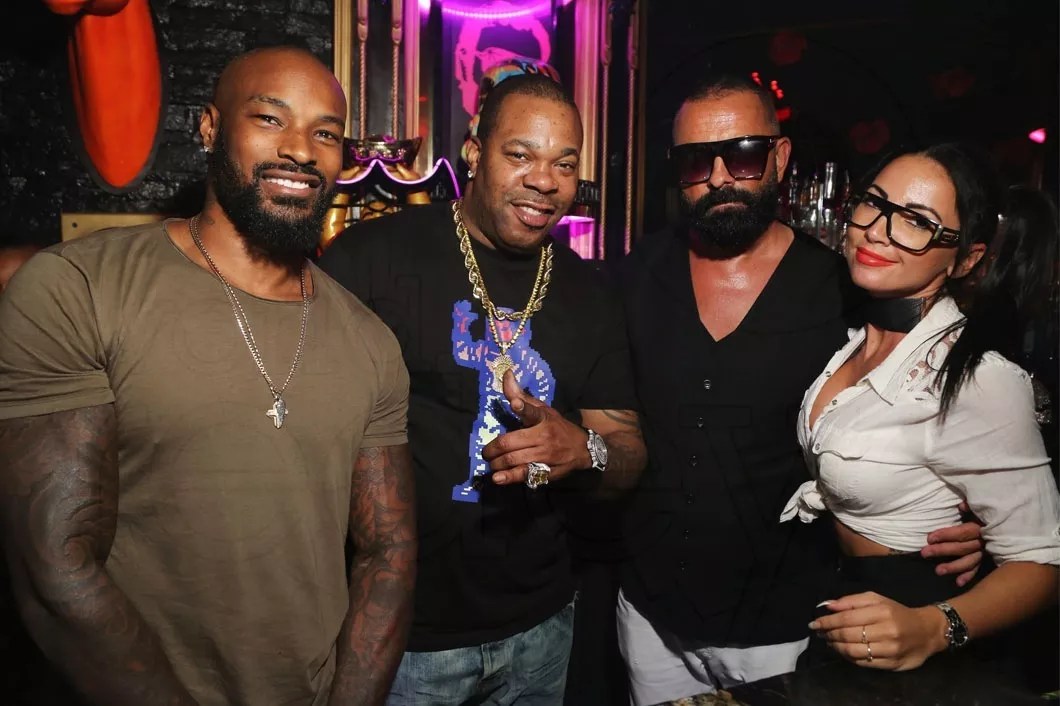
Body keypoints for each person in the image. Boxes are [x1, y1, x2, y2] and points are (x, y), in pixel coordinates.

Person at [0, 46, 416, 706]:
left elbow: (388, 550)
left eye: (326, 133)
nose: (301, 150)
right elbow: (55, 567)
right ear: (210, 127)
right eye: (270, 119)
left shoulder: (370, 341)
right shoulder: (78, 288)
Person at [615, 73, 984, 705]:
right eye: (696, 160)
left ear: (781, 157)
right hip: (652, 618)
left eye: (744, 154)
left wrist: (962, 513)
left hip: (788, 626)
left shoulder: (846, 291)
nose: (720, 177)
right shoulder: (634, 276)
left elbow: (929, 408)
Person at [318, 72, 647, 704]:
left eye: (564, 164)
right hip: (404, 637)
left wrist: (586, 450)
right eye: (520, 154)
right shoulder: (371, 258)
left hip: (543, 626)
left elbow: (628, 451)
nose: (544, 181)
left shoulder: (592, 294)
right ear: (474, 152)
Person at [782, 143, 1060, 670]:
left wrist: (934, 628)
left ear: (966, 259)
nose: (878, 230)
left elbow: (1044, 565)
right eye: (874, 203)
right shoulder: (855, 337)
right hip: (837, 600)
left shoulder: (975, 378)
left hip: (915, 623)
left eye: (917, 222)